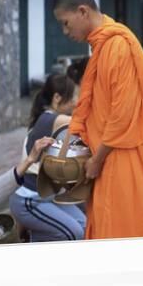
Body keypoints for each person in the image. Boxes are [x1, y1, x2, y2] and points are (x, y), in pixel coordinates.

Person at [53, 0, 143, 239]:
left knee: (124, 233)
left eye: (65, 23)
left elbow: (122, 115)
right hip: (109, 154)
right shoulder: (101, 45)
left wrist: (96, 159)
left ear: (83, 11)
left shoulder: (117, 46)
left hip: (123, 155)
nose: (64, 31)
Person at [8, 74, 87, 242]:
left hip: (47, 196)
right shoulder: (53, 119)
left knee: (84, 225)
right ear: (57, 97)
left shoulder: (45, 118)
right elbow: (85, 124)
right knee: (75, 233)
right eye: (73, 97)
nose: (76, 102)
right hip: (30, 198)